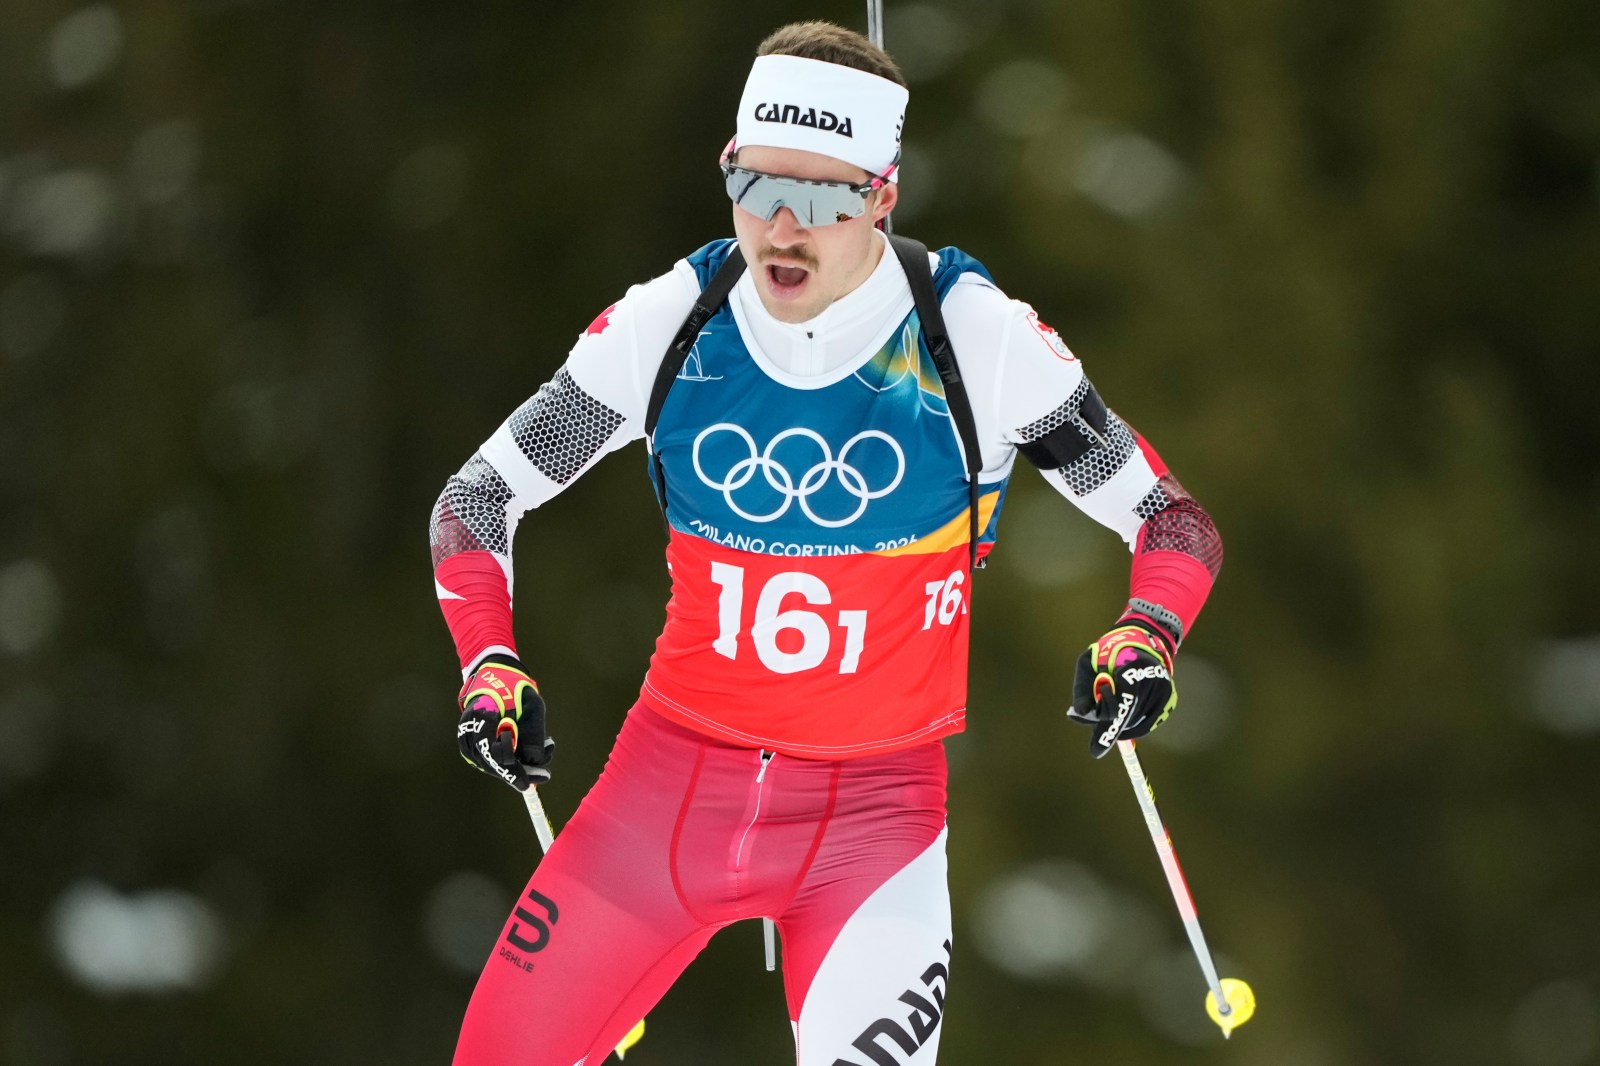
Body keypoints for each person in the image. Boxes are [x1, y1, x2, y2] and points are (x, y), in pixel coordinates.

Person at [428, 21, 1221, 1066]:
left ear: (883, 197)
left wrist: (1146, 634)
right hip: (658, 807)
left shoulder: (969, 339)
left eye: (826, 198)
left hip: (872, 829)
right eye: (757, 186)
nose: (782, 230)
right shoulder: (673, 324)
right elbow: (478, 498)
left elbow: (1172, 520)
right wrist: (489, 659)